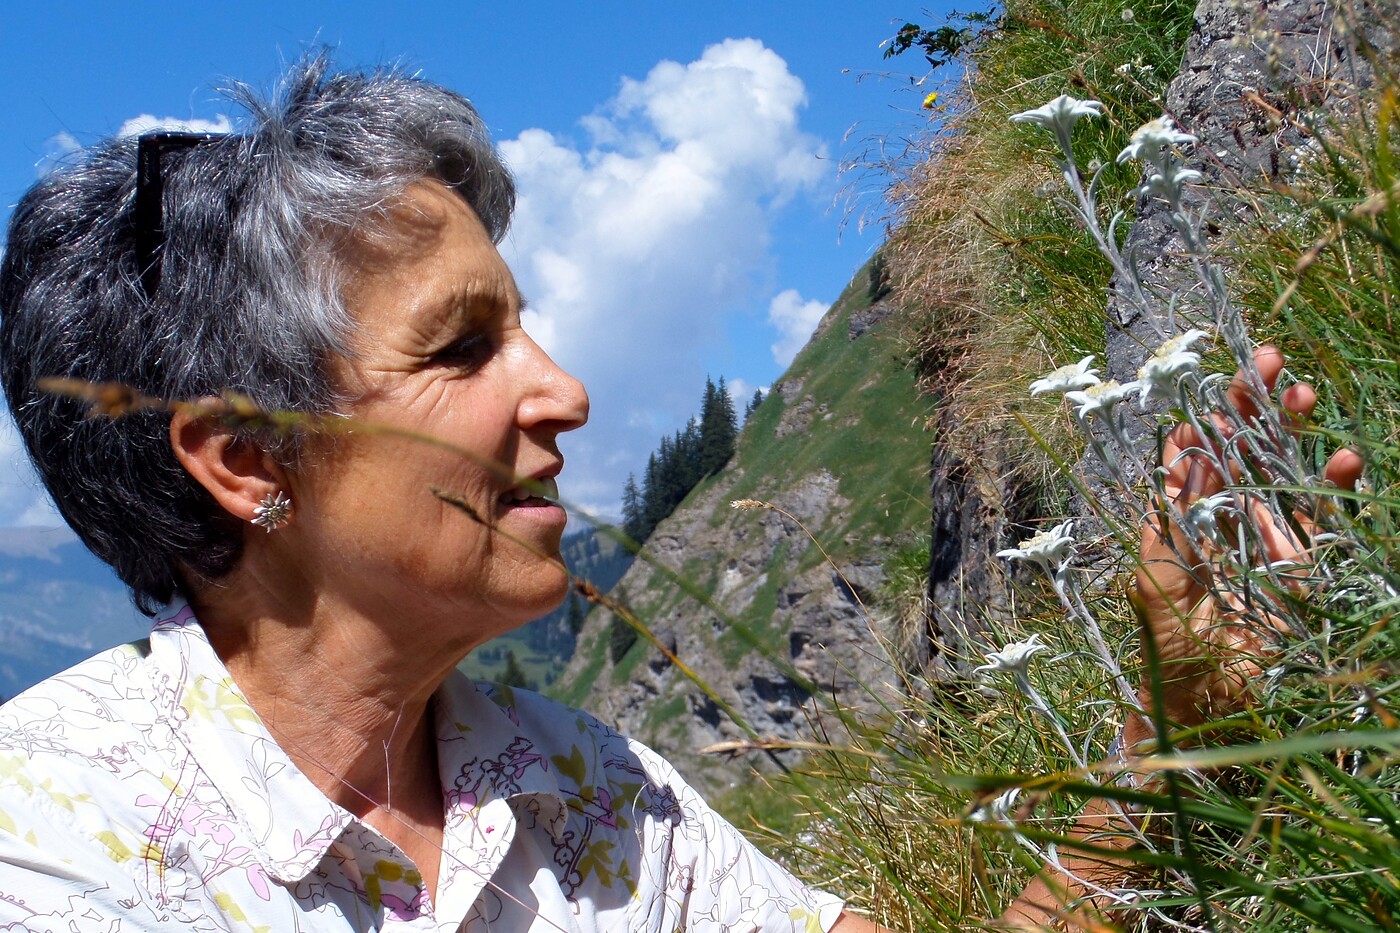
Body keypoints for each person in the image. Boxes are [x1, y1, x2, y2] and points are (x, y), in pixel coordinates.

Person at [0, 55, 1361, 932]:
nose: (564, 390)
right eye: (462, 348)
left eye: (523, 327)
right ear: (246, 460)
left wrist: (1169, 737)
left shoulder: (585, 791)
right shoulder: (53, 841)